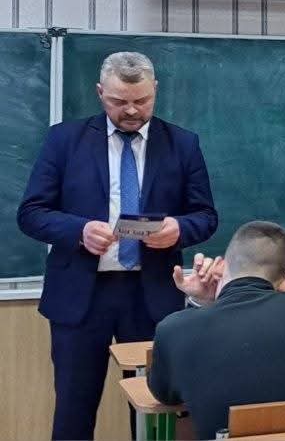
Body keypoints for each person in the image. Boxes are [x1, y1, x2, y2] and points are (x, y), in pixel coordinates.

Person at [16, 51, 218, 440]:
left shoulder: (182, 144)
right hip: (81, 295)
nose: (131, 111)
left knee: (155, 409)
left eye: (141, 100)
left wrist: (178, 229)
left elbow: (206, 216)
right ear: (99, 93)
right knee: (73, 410)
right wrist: (78, 230)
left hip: (152, 295)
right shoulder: (64, 140)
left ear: (155, 90)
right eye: (118, 101)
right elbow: (31, 213)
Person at [149, 221, 285, 441]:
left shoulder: (175, 328)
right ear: (284, 280)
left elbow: (166, 394)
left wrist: (199, 304)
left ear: (221, 266)